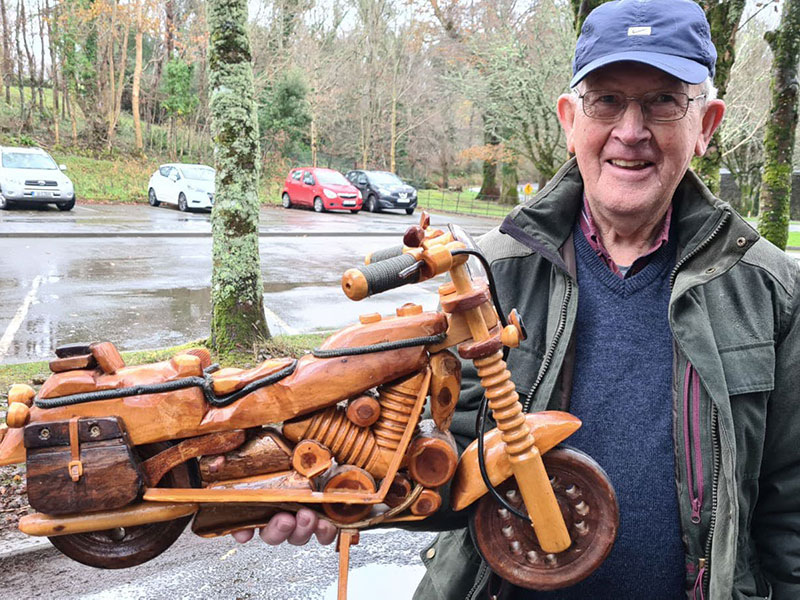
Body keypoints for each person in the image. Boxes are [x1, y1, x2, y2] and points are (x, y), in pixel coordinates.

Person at [234, 0, 800, 598]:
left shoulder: (769, 290)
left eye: (663, 101)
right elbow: (449, 475)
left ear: (706, 125)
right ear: (569, 119)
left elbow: (790, 509)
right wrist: (336, 492)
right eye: (606, 100)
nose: (630, 132)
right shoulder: (491, 273)